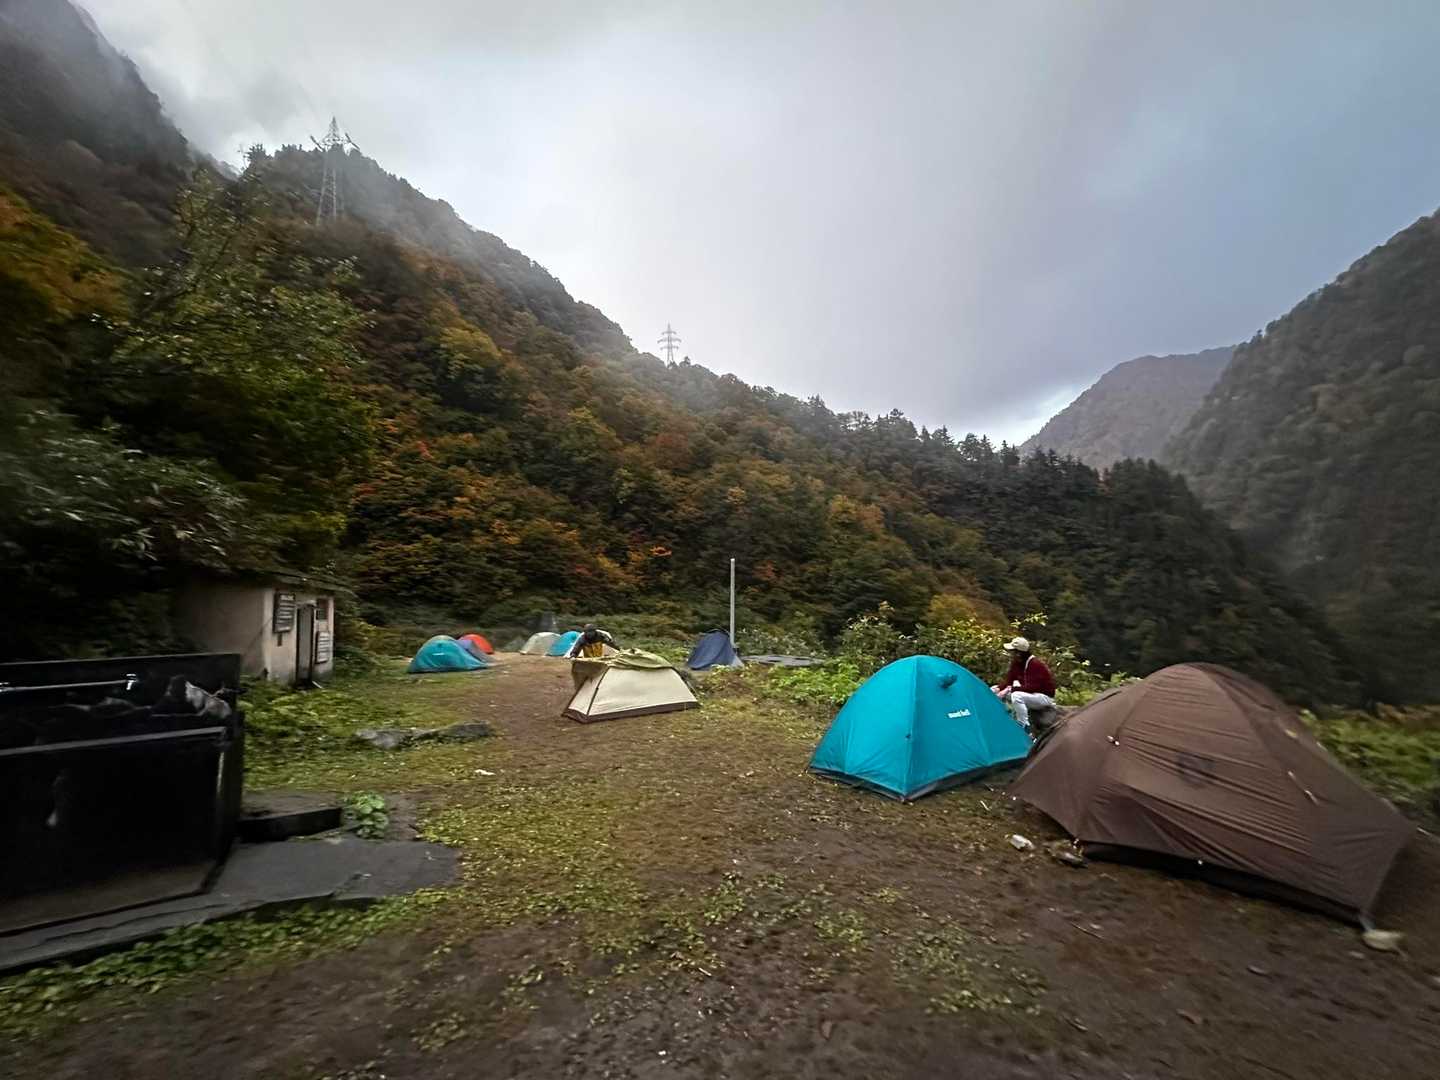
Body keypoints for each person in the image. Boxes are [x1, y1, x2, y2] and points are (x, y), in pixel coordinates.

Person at [992, 636, 1056, 731]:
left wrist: (1009, 689)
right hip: (1029, 694)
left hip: (1043, 697)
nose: (1011, 654)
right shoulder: (1017, 663)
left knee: (1016, 696)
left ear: (1019, 653)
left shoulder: (1035, 664)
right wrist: (998, 689)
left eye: (1013, 652)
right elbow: (1009, 681)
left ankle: (1024, 724)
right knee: (993, 690)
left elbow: (1032, 687)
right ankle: (998, 717)